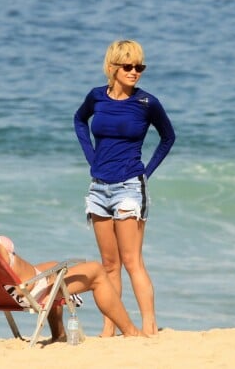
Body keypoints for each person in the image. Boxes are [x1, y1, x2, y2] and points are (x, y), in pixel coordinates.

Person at [0, 185, 144, 340]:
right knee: (96, 270)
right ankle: (132, 332)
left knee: (52, 264)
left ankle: (59, 334)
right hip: (25, 291)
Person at [73, 39, 176, 336]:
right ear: (112, 67)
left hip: (130, 187)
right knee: (108, 264)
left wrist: (147, 172)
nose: (135, 72)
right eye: (128, 66)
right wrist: (91, 156)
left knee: (132, 262)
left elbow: (168, 137)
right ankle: (110, 329)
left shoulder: (147, 103)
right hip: (98, 189)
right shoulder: (96, 97)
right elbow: (79, 121)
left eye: (139, 67)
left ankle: (149, 327)